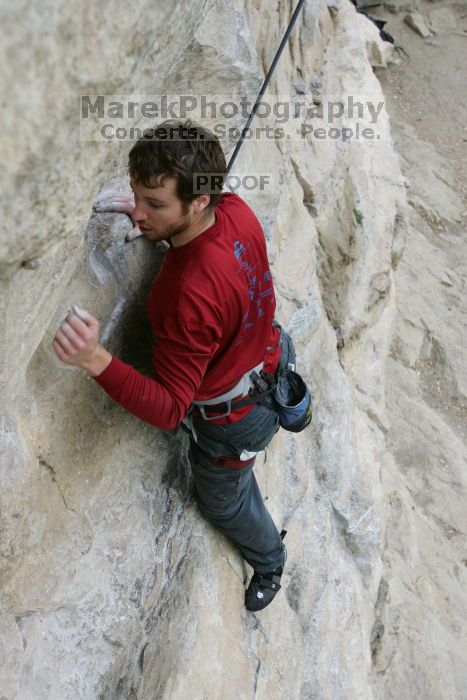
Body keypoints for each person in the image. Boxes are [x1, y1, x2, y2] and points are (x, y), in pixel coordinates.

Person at [52, 118, 293, 611]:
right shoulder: (234, 209)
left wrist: (95, 359)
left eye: (154, 204)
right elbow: (207, 250)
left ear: (198, 200)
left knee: (223, 499)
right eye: (138, 196)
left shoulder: (183, 296)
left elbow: (169, 408)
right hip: (270, 352)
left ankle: (269, 559)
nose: (138, 212)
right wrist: (158, 219)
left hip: (236, 420)